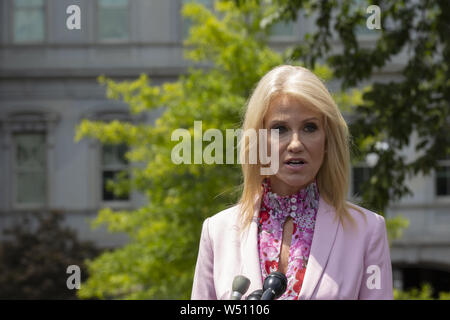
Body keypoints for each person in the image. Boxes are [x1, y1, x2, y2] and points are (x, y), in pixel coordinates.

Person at [191, 65, 393, 300]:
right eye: (280, 129)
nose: (296, 143)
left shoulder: (367, 231)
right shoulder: (218, 232)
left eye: (309, 127)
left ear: (327, 141)